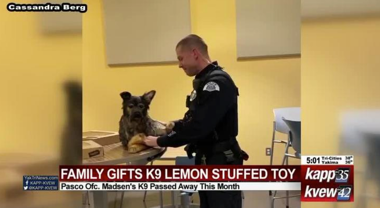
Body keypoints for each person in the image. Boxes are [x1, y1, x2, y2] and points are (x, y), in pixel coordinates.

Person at [144, 34, 248, 208]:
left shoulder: (217, 83)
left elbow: (198, 128)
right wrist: (173, 125)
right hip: (208, 158)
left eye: (180, 58)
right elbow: (194, 118)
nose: (179, 64)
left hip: (221, 162)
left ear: (194, 53)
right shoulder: (204, 82)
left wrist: (160, 141)